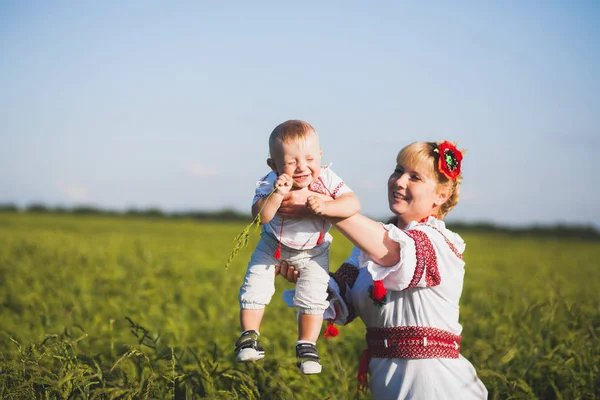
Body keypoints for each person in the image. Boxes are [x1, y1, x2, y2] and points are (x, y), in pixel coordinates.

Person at [277, 141, 488, 398]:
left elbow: (390, 251)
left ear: (441, 195)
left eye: (415, 177)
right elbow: (339, 300)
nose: (399, 182)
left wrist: (325, 205)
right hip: (385, 382)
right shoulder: (365, 251)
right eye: (398, 171)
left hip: (435, 385)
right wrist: (306, 274)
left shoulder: (439, 243)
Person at [236, 119, 360, 375]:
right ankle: (249, 336)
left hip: (314, 250)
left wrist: (327, 206)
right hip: (273, 245)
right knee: (255, 284)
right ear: (274, 165)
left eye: (310, 159)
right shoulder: (270, 181)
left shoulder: (326, 178)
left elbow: (352, 203)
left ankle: (307, 345)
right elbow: (260, 217)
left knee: (314, 296)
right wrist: (277, 195)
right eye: (291, 163)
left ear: (321, 156)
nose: (302, 168)